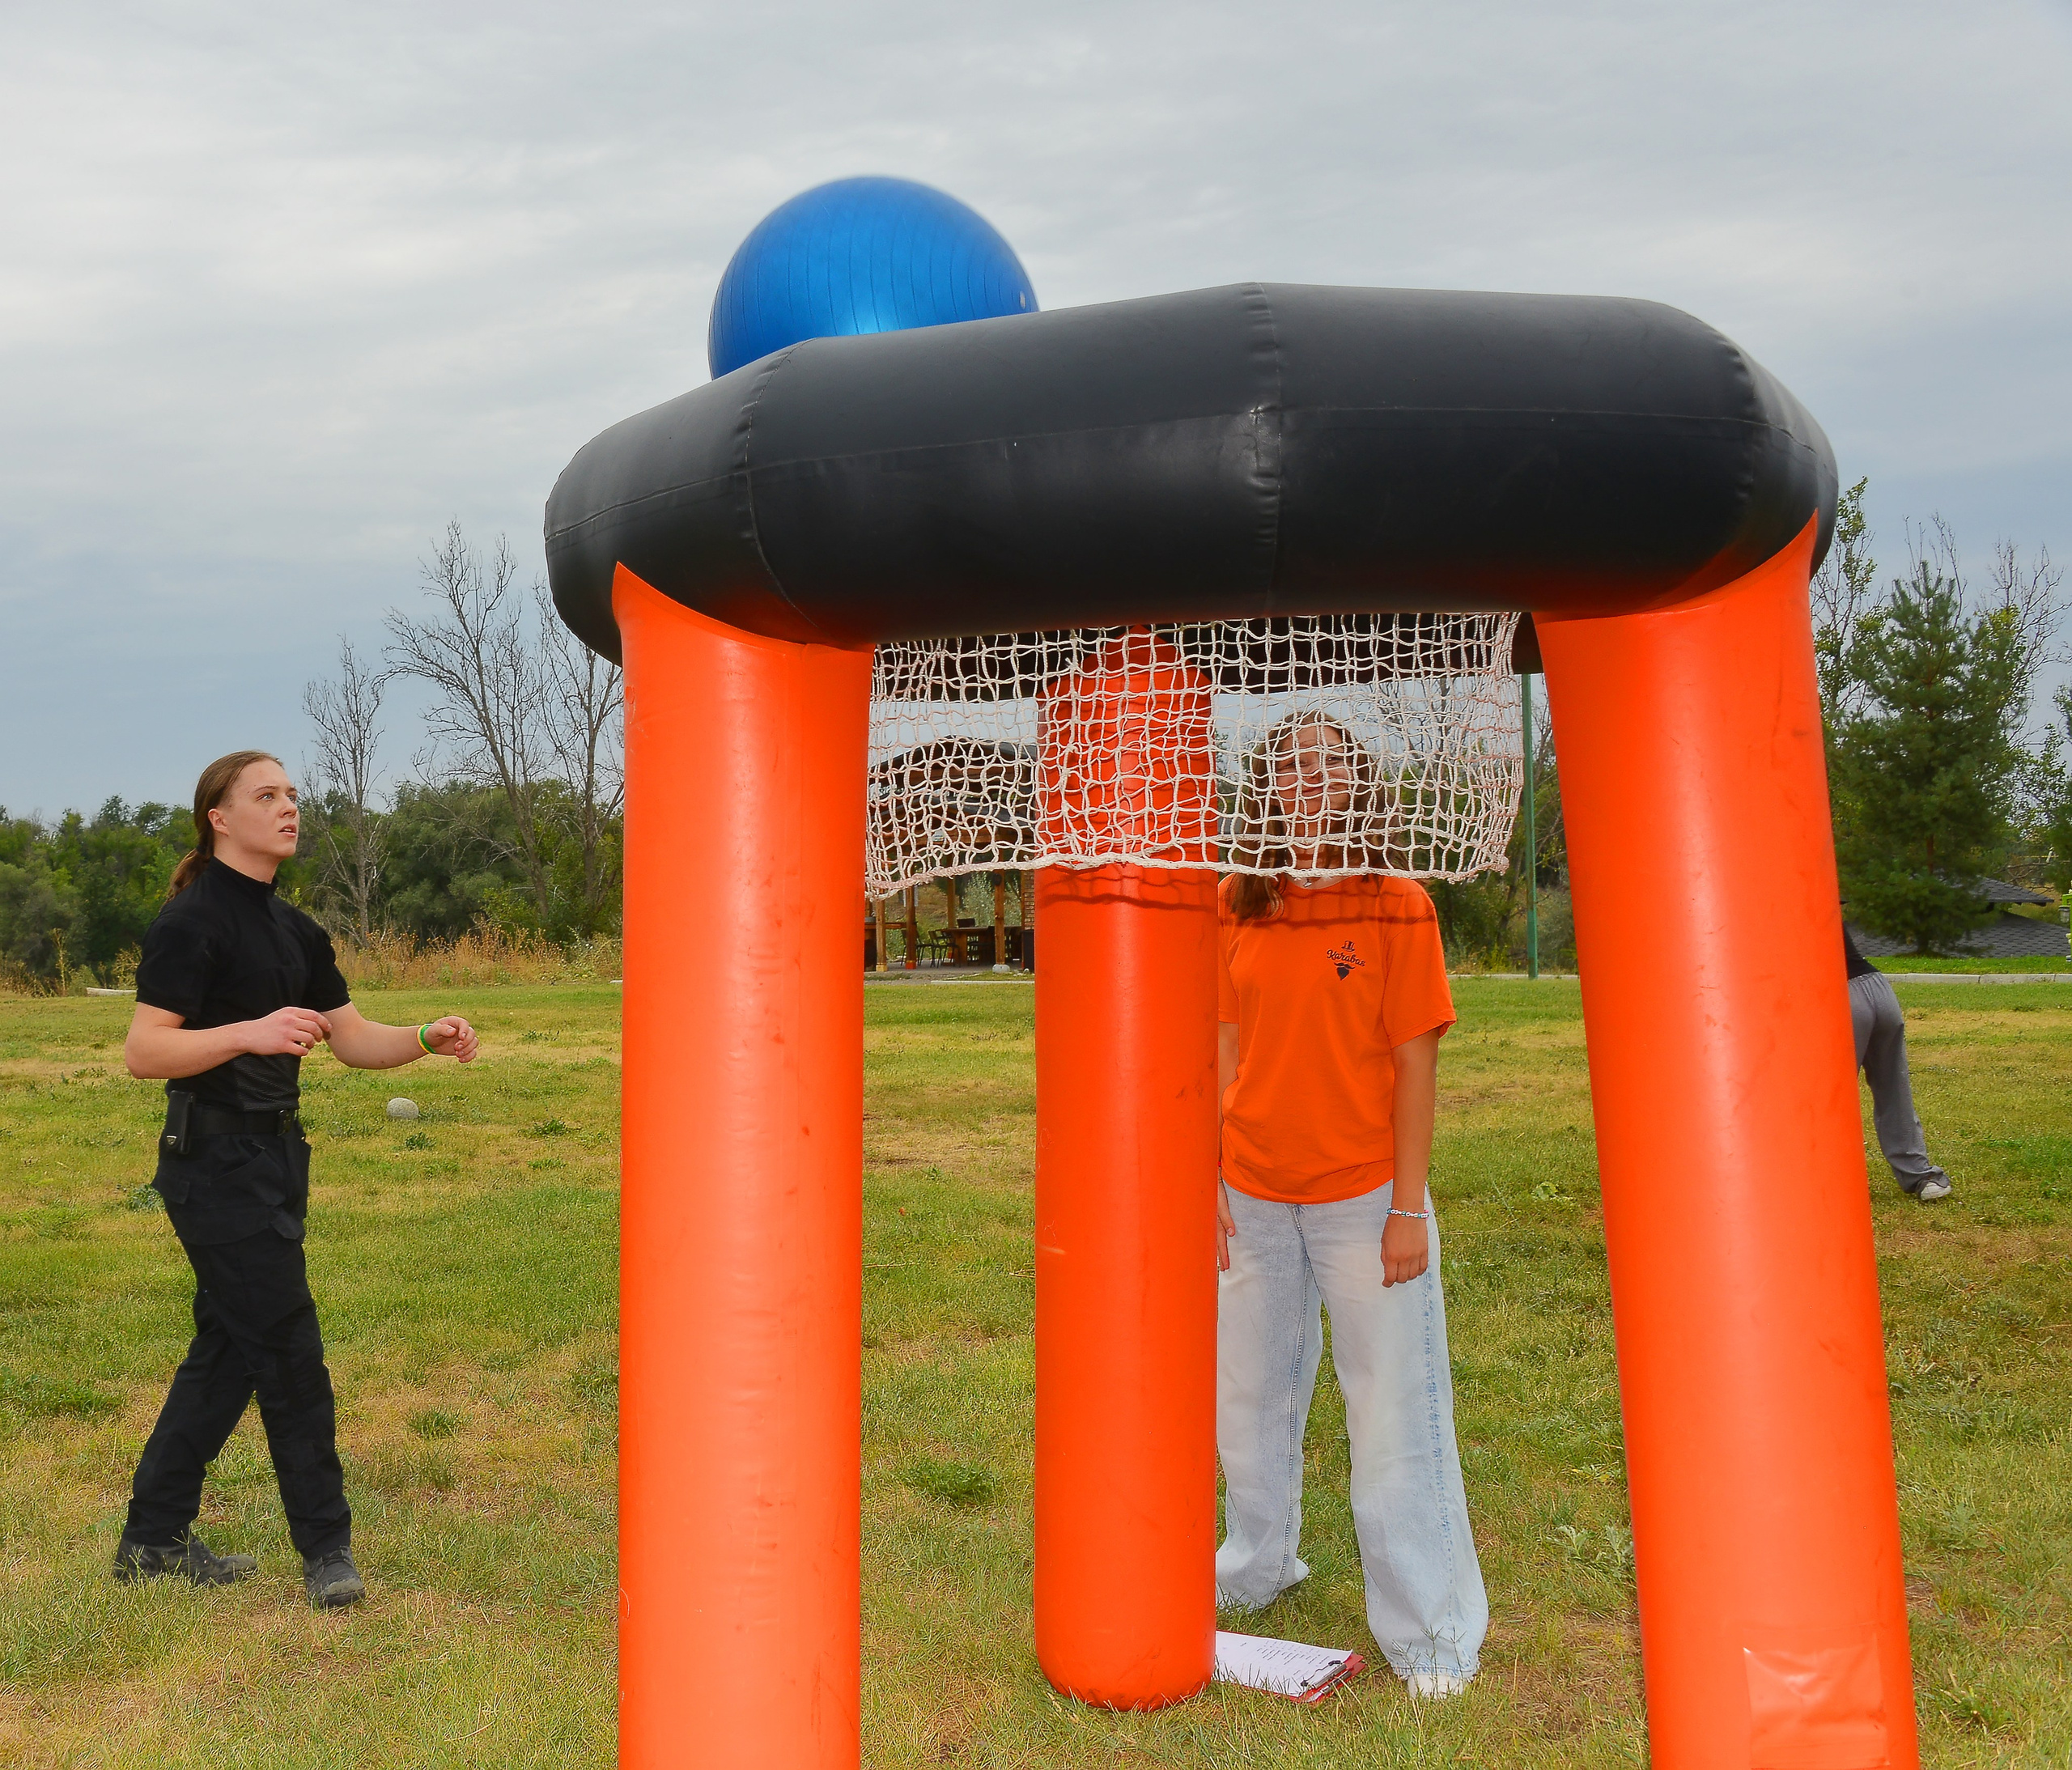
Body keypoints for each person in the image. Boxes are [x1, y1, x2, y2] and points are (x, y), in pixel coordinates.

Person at [117, 750, 479, 1608]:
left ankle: (152, 1539)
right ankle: (327, 1550)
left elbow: (352, 1039)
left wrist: (423, 1037)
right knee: (287, 1351)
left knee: (229, 1350)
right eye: (266, 795)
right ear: (219, 818)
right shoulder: (192, 921)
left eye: (291, 794)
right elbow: (145, 1049)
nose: (288, 808)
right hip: (212, 1164)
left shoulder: (295, 930)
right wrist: (249, 1032)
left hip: (277, 1160)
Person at [1214, 713, 1488, 1697]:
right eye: (1287, 765)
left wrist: (1406, 1209)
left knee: (1391, 1421)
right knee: (1249, 1405)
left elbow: (1415, 1065)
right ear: (1265, 789)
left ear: (1358, 784)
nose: (1306, 778)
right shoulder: (1236, 901)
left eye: (1327, 763)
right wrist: (1209, 1174)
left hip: (1363, 1201)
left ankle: (1432, 1636)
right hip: (1251, 1196)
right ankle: (1255, 1573)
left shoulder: (1396, 905)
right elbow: (1223, 1046)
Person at [1845, 923, 1951, 1201]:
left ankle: (1820, 1175)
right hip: (1878, 989)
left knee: (1827, 1097)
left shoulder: (1771, 908)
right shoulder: (1817, 904)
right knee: (1894, 1089)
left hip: (1841, 996)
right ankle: (1922, 1175)